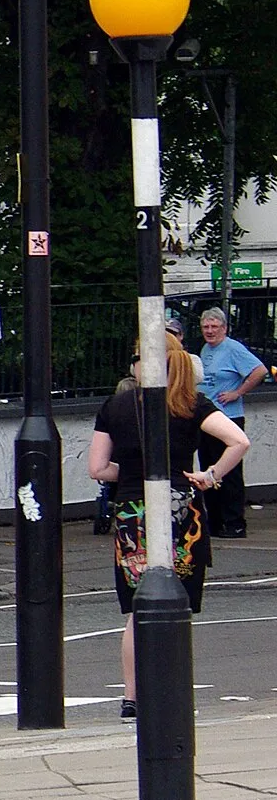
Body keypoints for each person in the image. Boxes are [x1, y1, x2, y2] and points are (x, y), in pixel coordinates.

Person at [91, 335, 249, 719]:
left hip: (132, 512)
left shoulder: (116, 405)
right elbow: (238, 441)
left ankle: (131, 696)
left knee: (137, 609)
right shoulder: (191, 404)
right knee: (175, 604)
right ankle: (173, 687)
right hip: (181, 510)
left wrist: (129, 473)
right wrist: (209, 477)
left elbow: (97, 468)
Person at [197, 308, 265, 538]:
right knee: (210, 469)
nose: (210, 331)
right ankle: (215, 521)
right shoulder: (206, 349)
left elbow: (259, 370)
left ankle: (234, 522)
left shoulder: (233, 348)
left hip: (228, 417)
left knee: (230, 471)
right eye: (206, 327)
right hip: (207, 418)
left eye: (214, 327)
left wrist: (238, 392)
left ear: (224, 328)